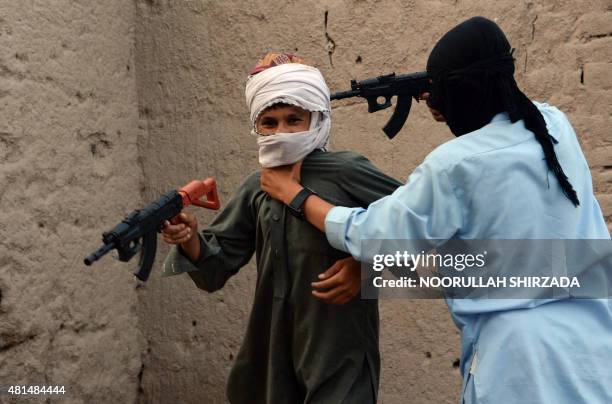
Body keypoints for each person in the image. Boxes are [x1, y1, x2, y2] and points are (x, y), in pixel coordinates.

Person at [261, 18, 612, 404]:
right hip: (593, 348)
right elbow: (502, 263)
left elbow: (373, 236)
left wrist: (295, 195)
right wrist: (374, 278)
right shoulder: (554, 125)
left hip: (521, 366)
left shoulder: (454, 165)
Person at [161, 53, 401, 403]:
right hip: (273, 359)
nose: (281, 132)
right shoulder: (256, 187)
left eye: (294, 120)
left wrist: (365, 267)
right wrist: (190, 238)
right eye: (269, 122)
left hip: (339, 355)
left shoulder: (348, 172)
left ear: (316, 119)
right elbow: (215, 267)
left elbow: (425, 233)